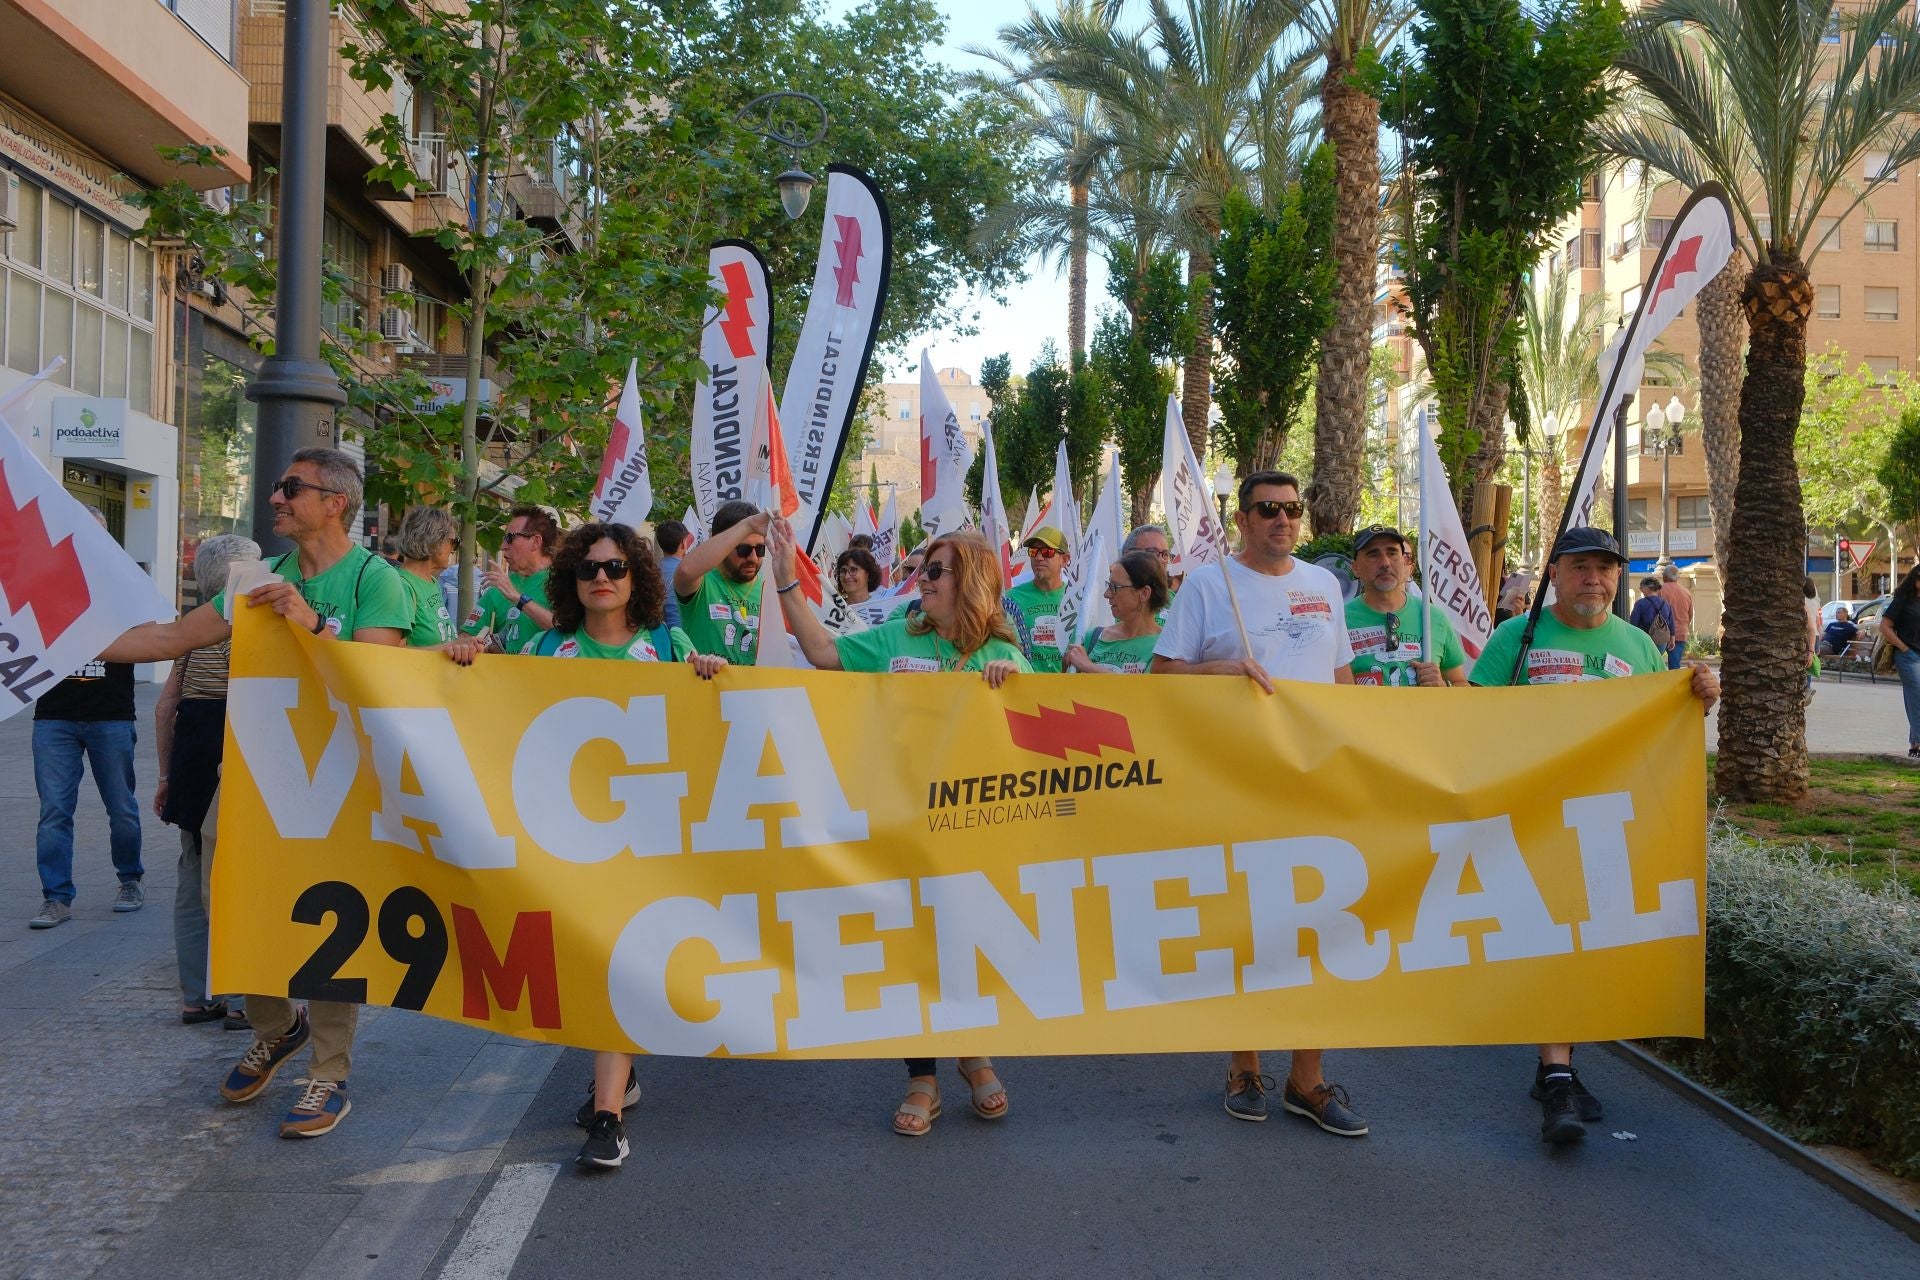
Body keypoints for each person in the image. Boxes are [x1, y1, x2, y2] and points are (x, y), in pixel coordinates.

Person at [101, 446, 411, 1139]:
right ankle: (277, 1028)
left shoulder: (376, 579)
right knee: (231, 903)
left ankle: (327, 1076)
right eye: (277, 486)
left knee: (333, 923)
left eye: (290, 487)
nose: (275, 497)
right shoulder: (253, 577)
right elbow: (171, 637)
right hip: (253, 772)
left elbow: (380, 676)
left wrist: (313, 623)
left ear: (335, 503)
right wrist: (69, 638)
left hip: (335, 780)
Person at [443, 522, 724, 1169]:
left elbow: (710, 713)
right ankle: (618, 1079)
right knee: (587, 971)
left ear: (637, 579)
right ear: (571, 579)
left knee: (618, 970)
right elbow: (498, 710)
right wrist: (465, 665)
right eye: (589, 568)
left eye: (617, 568)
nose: (602, 577)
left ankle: (606, 1117)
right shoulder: (549, 647)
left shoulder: (664, 643)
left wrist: (708, 672)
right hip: (566, 843)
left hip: (644, 843)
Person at [767, 520, 1025, 1136]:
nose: (921, 581)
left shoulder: (1007, 657)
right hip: (898, 824)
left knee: (964, 945)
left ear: (972, 582)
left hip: (973, 831)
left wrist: (1015, 692)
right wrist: (785, 586)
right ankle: (924, 1077)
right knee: (912, 949)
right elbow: (824, 654)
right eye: (920, 570)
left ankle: (973, 1053)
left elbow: (1035, 746)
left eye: (935, 571)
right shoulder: (891, 640)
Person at [1472, 527, 1719, 1144]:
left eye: (1606, 569)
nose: (1594, 579)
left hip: (1606, 822)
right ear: (1554, 573)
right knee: (1549, 942)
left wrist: (1698, 699)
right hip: (1529, 819)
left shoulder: (1638, 645)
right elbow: (1468, 724)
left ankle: (1555, 1068)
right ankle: (1557, 1074)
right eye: (1580, 566)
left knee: (1582, 943)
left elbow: (1656, 729)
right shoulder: (1515, 637)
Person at [1151, 471, 1367, 1139]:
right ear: (1241, 519)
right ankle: (1244, 1064)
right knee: (1244, 921)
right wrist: (1215, 673)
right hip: (1235, 783)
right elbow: (1160, 677)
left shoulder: (1324, 585)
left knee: (1319, 925)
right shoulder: (1209, 585)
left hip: (1313, 782)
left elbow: (1341, 681)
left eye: (1292, 510)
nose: (1282, 520)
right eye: (1267, 510)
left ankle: (1307, 1077)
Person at [154, 533, 259, 1027]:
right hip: (238, 747)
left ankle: (196, 997)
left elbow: (166, 705)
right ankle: (240, 1000)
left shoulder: (194, 634)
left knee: (193, 869)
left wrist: (165, 774)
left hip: (194, 753)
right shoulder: (256, 630)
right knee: (239, 877)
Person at [30, 507, 144, 930]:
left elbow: (152, 633)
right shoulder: (45, 583)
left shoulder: (126, 585)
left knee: (122, 808)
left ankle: (130, 879)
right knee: (54, 810)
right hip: (54, 715)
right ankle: (55, 898)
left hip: (110, 714)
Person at [1345, 525, 1467, 687]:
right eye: (1373, 554)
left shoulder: (1433, 617)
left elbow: (1461, 684)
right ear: (1356, 568)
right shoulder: (1341, 620)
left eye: (1392, 553)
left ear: (1404, 562)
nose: (1385, 563)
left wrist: (1442, 686)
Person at [672, 500, 767, 664]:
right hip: (704, 686)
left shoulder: (770, 590)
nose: (753, 558)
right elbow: (685, 571)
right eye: (743, 549)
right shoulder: (702, 581)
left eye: (760, 549)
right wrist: (748, 525)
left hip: (752, 689)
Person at [462, 505, 557, 654]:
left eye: (510, 538)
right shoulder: (498, 587)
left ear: (535, 542)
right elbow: (465, 639)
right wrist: (481, 649)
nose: (502, 546)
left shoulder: (565, 582)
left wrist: (518, 598)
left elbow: (568, 631)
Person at [1065, 551, 1166, 674]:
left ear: (1144, 594)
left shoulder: (1164, 648)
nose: (1106, 594)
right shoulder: (1091, 637)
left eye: (1115, 587)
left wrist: (1088, 666)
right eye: (1109, 585)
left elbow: (1141, 691)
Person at [1004, 527, 1071, 673]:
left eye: (1047, 552)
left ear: (1064, 559)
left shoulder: (1076, 599)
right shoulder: (1011, 599)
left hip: (1068, 689)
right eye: (1034, 551)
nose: (1039, 558)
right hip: (1027, 687)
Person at [392, 506, 459, 647]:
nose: (453, 549)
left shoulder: (433, 582)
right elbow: (396, 654)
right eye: (453, 541)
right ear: (433, 540)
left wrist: (462, 645)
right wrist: (449, 649)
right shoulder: (402, 586)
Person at [1879, 565, 1920, 759]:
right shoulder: (1903, 600)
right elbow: (1884, 626)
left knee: (1916, 700)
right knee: (1916, 698)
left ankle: (1915, 744)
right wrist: (1902, 647)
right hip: (1908, 656)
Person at [653, 518, 691, 630]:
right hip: (684, 635)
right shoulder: (688, 571)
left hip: (659, 633)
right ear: (683, 542)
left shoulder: (652, 570)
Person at [1657, 565, 1694, 668]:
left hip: (1661, 633)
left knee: (1653, 662)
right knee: (1674, 666)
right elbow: (1690, 615)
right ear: (1677, 577)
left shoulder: (1659, 590)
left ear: (1664, 576)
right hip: (1681, 632)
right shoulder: (1686, 592)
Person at [1629, 577, 1677, 655]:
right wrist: (1672, 638)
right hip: (1662, 640)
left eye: (1641, 587)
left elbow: (1633, 623)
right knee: (1657, 662)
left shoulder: (1640, 603)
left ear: (1646, 588)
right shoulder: (1665, 603)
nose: (1640, 589)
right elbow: (1671, 622)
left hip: (1644, 639)